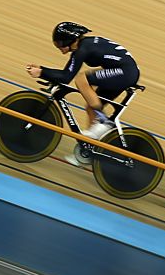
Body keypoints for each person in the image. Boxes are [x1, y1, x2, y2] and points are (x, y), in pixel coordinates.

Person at [25, 23, 139, 167]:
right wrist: (42, 70)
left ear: (69, 39)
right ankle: (89, 150)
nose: (59, 47)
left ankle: (103, 121)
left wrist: (41, 72)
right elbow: (66, 73)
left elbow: (66, 77)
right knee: (91, 106)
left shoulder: (82, 49)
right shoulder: (83, 46)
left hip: (126, 72)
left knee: (81, 79)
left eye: (60, 43)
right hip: (123, 71)